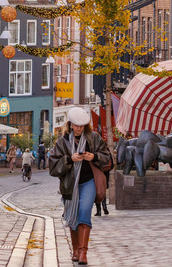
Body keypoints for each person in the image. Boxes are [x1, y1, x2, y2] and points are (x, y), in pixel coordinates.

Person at [49, 107, 109, 265]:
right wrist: (70, 159)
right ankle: (75, 250)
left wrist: (93, 157)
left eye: (81, 126)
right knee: (73, 216)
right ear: (70, 124)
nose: (78, 128)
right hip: (70, 185)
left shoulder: (93, 138)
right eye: (76, 125)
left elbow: (107, 157)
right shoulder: (62, 142)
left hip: (89, 182)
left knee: (84, 212)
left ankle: (83, 252)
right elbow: (53, 167)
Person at [95, 150, 114, 216]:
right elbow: (112, 164)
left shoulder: (96, 150)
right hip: (105, 173)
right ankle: (104, 206)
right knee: (103, 190)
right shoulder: (107, 150)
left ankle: (99, 210)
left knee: (98, 191)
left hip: (98, 173)